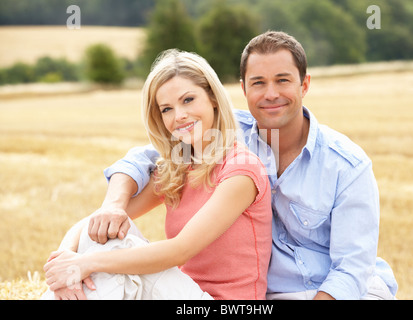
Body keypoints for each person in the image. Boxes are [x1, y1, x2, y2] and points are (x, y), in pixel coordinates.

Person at [70, 31, 399, 300]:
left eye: (283, 80)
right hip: (268, 294)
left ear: (305, 84)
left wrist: (83, 263)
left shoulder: (347, 165)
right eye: (258, 83)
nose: (271, 94)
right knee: (110, 258)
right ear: (242, 89)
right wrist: (112, 206)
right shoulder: (225, 135)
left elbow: (351, 271)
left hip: (338, 291)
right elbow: (147, 158)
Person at [42, 49, 272, 300]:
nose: (179, 116)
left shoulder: (242, 169)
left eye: (188, 100)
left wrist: (86, 264)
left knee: (117, 246)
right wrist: (63, 262)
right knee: (110, 227)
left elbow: (179, 251)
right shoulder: (178, 167)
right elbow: (95, 223)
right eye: (166, 109)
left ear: (213, 98)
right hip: (177, 294)